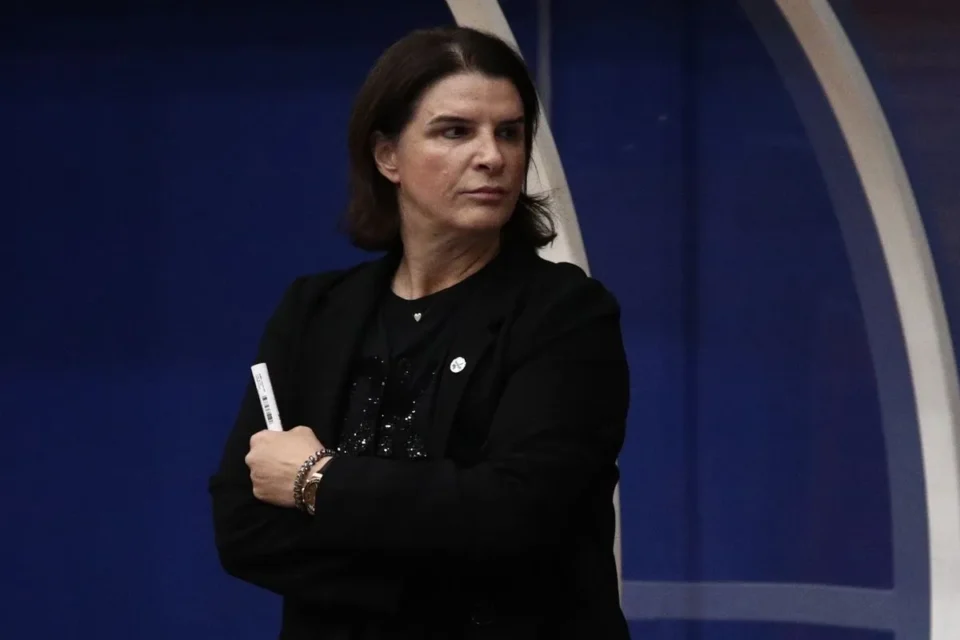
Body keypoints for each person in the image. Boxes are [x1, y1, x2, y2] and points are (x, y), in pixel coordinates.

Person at [208, 25, 631, 639]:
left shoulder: (566, 314)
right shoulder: (314, 310)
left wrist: (316, 479)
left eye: (509, 132)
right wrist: (445, 562)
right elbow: (244, 526)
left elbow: (515, 515)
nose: (493, 156)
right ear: (388, 156)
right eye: (455, 131)